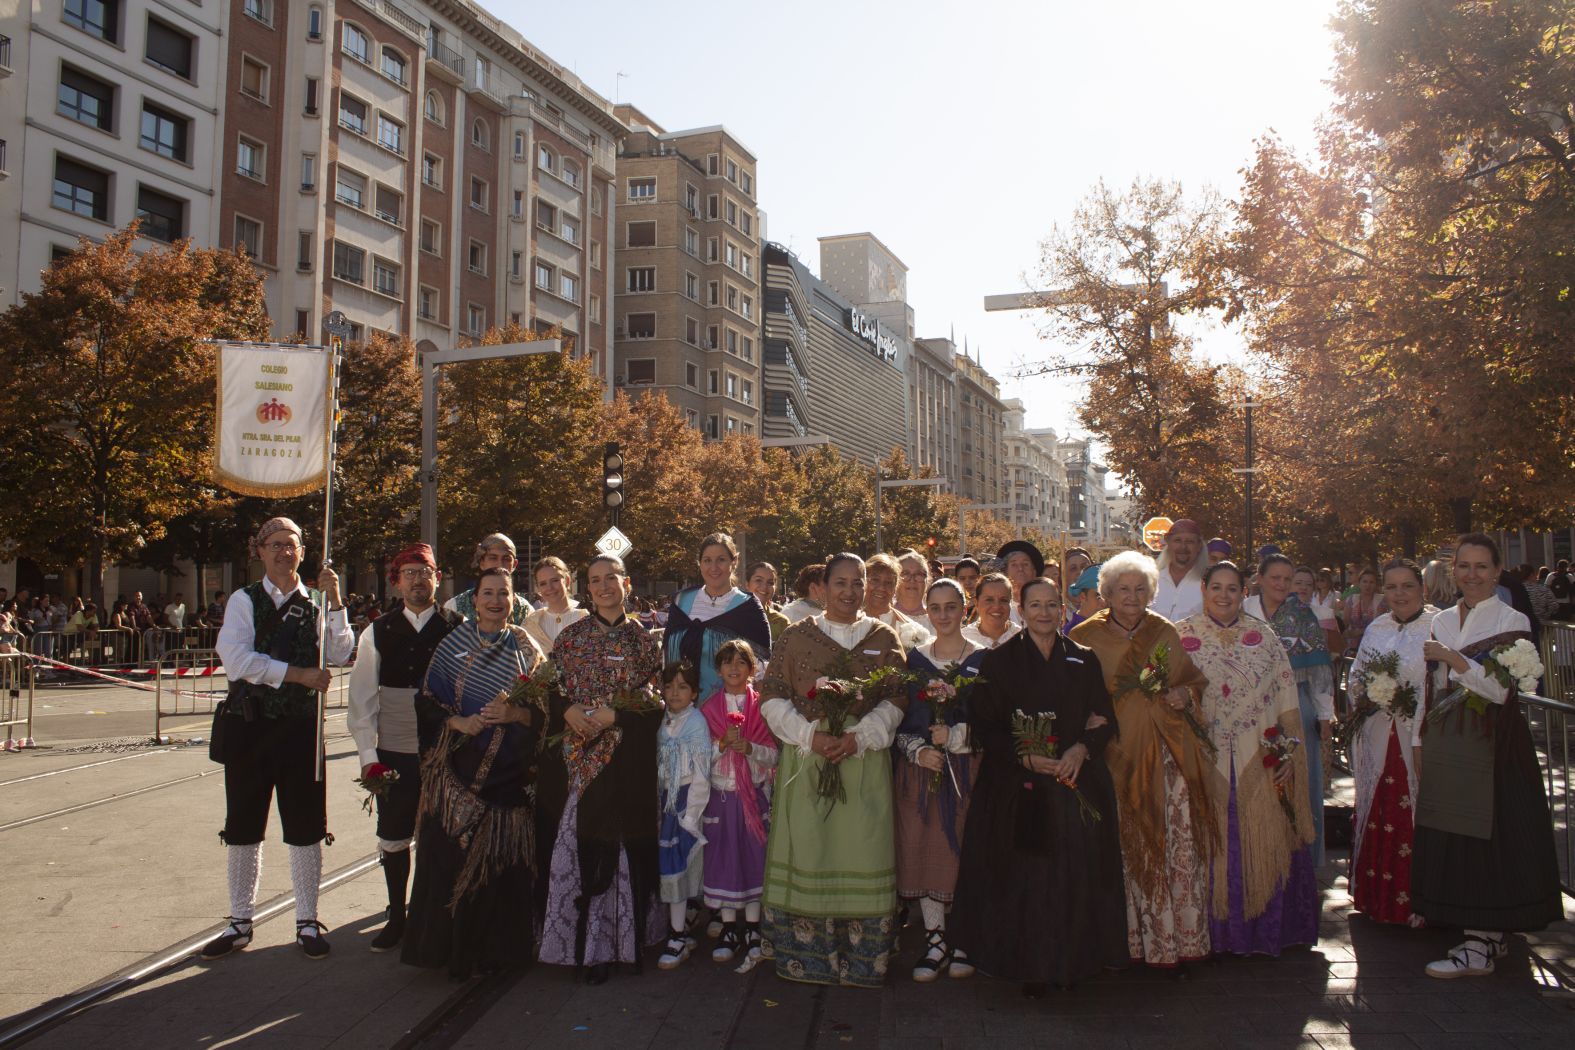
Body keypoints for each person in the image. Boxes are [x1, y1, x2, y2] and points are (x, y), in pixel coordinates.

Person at [950, 577, 1127, 996]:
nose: (1044, 613)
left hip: (1072, 781)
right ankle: (1030, 965)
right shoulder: (999, 661)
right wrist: (1023, 756)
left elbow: (1105, 718)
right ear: (1021, 609)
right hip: (1018, 785)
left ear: (1061, 610)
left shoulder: (1083, 659)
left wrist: (1082, 749)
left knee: (1073, 876)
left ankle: (1074, 962)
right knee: (1027, 879)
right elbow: (986, 726)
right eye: (1035, 605)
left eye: (1051, 605)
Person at [1412, 533, 1564, 977]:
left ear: (1497, 571)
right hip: (1448, 739)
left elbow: (1501, 691)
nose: (1472, 575)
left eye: (1481, 567)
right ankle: (1482, 937)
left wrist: (1456, 660)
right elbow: (1429, 688)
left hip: (1494, 741)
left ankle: (1480, 943)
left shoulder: (1511, 617)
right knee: (1455, 832)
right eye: (1463, 566)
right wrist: (1420, 740)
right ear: (1452, 570)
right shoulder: (1440, 619)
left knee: (1490, 836)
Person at [203, 518, 354, 961]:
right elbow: (236, 659)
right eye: (275, 545)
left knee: (306, 828)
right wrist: (297, 674)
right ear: (260, 551)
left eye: (291, 545)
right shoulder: (243, 601)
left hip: (301, 729)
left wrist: (337, 601)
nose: (284, 552)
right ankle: (239, 921)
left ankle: (307, 919)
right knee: (243, 827)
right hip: (251, 728)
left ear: (303, 552)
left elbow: (342, 652)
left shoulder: (316, 603)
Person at [758, 553, 907, 987]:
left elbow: (897, 698)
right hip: (809, 759)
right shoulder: (797, 637)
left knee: (863, 845)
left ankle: (864, 960)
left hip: (863, 760)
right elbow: (772, 696)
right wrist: (810, 736)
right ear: (822, 587)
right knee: (811, 845)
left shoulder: (883, 636)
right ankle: (809, 955)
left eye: (856, 582)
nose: (849, 591)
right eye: (840, 582)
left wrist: (861, 736)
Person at [1071, 552, 1216, 970]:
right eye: (1122, 589)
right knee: (1121, 851)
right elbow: (1074, 695)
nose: (1131, 597)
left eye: (1139, 589)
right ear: (1107, 593)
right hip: (1112, 759)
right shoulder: (1085, 636)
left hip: (1166, 756)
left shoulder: (1163, 630)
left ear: (1150, 593)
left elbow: (1193, 682)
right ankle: (1126, 944)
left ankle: (1175, 942)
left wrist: (1182, 695)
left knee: (1173, 848)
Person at [403, 566, 546, 979]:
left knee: (501, 869)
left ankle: (497, 954)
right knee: (448, 862)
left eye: (503, 593)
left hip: (509, 779)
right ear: (475, 598)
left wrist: (515, 712)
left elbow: (544, 710)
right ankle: (448, 953)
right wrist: (457, 723)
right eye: (488, 593)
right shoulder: (452, 645)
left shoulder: (524, 645)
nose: (496, 601)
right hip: (457, 777)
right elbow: (427, 700)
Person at [1177, 561, 1319, 957]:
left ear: (1244, 592)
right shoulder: (1180, 635)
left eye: (1232, 588)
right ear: (1203, 589)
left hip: (1260, 757)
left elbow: (1286, 696)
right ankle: (1208, 937)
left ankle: (1263, 933)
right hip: (1203, 760)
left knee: (1264, 835)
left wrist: (1288, 748)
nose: (1224, 595)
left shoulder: (1265, 637)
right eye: (1216, 587)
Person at [536, 555, 664, 985]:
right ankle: (585, 948)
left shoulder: (645, 642)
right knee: (584, 849)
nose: (605, 586)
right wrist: (568, 710)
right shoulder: (570, 639)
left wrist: (616, 718)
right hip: (577, 760)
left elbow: (657, 705)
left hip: (626, 761)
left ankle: (617, 944)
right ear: (586, 588)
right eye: (596, 580)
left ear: (626, 583)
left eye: (612, 578)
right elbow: (548, 695)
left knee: (621, 850)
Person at [347, 543, 461, 953]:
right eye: (409, 573)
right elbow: (361, 699)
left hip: (447, 748)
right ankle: (397, 914)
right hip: (395, 749)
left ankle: (438, 914)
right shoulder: (377, 631)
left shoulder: (457, 625)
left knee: (446, 833)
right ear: (397, 581)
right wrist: (368, 757)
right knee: (394, 832)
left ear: (437, 576)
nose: (418, 580)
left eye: (424, 572)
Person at [895, 579, 985, 982]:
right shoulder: (915, 661)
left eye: (952, 607)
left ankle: (963, 937)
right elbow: (900, 718)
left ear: (965, 609)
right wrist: (918, 750)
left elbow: (994, 723)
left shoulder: (984, 660)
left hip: (969, 771)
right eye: (936, 607)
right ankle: (934, 937)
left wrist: (959, 737)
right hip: (925, 770)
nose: (944, 615)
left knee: (964, 850)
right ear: (927, 611)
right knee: (925, 847)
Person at [1345, 557, 1436, 927]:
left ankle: (1423, 902)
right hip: (1379, 734)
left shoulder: (1439, 625)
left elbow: (1440, 683)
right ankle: (1378, 899)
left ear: (1422, 589)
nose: (1399, 594)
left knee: (1417, 811)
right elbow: (1356, 677)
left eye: (1407, 586)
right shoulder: (1377, 627)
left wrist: (1410, 705)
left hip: (1419, 738)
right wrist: (1370, 694)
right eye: (1392, 587)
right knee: (1379, 809)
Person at [1247, 554, 1335, 863]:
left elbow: (1319, 673)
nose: (1282, 585)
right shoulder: (1241, 612)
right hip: (1250, 708)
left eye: (1287, 579)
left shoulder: (1303, 614)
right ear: (1259, 578)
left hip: (1296, 704)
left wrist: (1325, 716)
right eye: (1275, 578)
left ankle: (1302, 859)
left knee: (1299, 782)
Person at [700, 639, 778, 963]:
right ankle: (729, 926)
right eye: (728, 662)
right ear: (718, 670)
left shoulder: (762, 708)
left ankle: (754, 925)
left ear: (752, 669)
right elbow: (698, 758)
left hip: (753, 797)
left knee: (753, 858)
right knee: (725, 857)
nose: (734, 668)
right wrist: (720, 745)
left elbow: (774, 755)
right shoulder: (708, 709)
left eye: (741, 662)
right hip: (722, 795)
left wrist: (751, 749)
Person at [663, 532, 773, 700]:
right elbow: (666, 657)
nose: (713, 567)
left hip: (726, 713)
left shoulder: (748, 607)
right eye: (707, 560)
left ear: (734, 562)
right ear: (699, 563)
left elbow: (760, 673)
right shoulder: (681, 601)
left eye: (721, 559)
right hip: (679, 710)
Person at [654, 660, 712, 970]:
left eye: (683, 686)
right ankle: (681, 928)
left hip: (687, 800)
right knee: (671, 864)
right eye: (670, 686)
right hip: (668, 799)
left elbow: (702, 773)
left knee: (678, 863)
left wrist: (691, 815)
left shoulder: (696, 722)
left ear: (694, 693)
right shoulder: (664, 719)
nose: (674, 692)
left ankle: (678, 934)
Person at [444, 533, 532, 626]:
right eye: (493, 558)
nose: (500, 564)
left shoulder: (525, 610)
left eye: (506, 559)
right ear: (481, 562)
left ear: (514, 564)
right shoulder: (455, 607)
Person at [864, 553, 929, 650]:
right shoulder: (846, 619)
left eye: (889, 582)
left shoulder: (910, 628)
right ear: (863, 581)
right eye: (875, 580)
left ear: (895, 587)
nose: (881, 587)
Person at [522, 556, 586, 655]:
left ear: (567, 581)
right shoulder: (531, 624)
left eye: (555, 580)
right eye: (543, 584)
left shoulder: (585, 617)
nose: (550, 588)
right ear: (538, 588)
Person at [1152, 519, 1206, 622]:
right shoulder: (1152, 580)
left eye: (1189, 542)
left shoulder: (1208, 584)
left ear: (1199, 546)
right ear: (1168, 543)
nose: (1183, 547)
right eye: (1177, 540)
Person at [961, 573, 1019, 649]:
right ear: (976, 603)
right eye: (989, 600)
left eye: (1003, 600)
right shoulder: (964, 639)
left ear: (1010, 603)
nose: (996, 606)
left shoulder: (1022, 638)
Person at [996, 540, 1045, 626]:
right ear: (1005, 572)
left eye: (1025, 564)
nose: (1020, 569)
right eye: (1014, 565)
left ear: (1034, 572)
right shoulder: (998, 608)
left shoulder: (1044, 608)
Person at [1342, 568, 1386, 655]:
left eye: (1371, 582)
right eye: (1365, 581)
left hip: (1373, 646)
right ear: (1359, 583)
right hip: (1351, 646)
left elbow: (1378, 625)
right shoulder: (1351, 599)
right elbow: (1345, 624)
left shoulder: (1381, 600)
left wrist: (1357, 632)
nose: (1368, 585)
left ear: (1376, 584)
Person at [892, 549, 934, 634]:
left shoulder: (937, 620)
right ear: (895, 580)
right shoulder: (884, 617)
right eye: (905, 574)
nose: (912, 580)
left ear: (927, 580)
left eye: (919, 574)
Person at [745, 561, 791, 640]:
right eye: (758, 580)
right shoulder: (731, 615)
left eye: (770, 582)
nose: (764, 587)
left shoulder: (781, 622)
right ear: (747, 584)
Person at [1062, 563, 1105, 634]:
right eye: (1098, 596)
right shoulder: (1072, 633)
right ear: (1083, 597)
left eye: (1109, 596)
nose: (1104, 602)